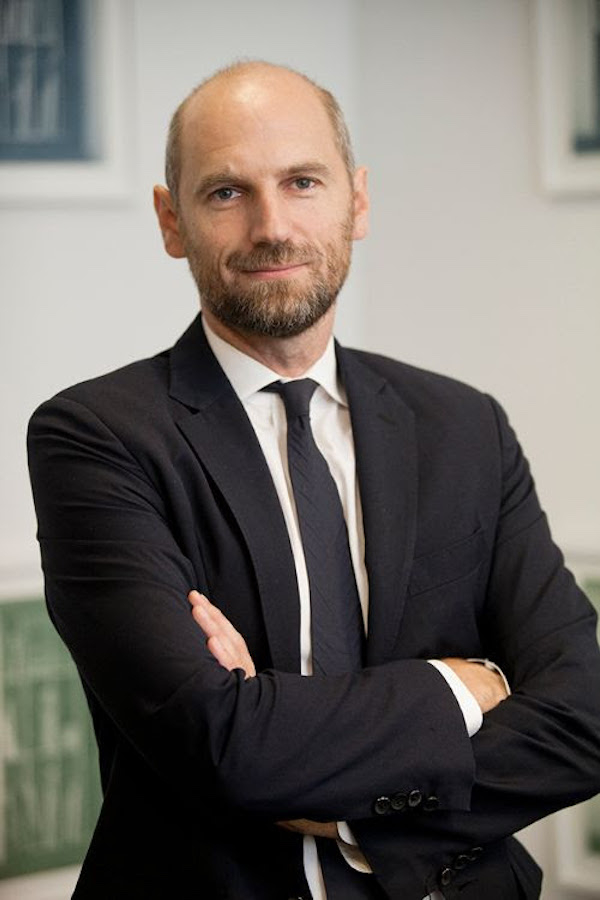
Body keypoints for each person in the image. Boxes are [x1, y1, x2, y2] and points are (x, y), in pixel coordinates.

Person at [27, 61, 600, 900]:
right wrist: (460, 684)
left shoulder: (463, 426)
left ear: (356, 201)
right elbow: (225, 746)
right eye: (227, 192)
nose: (272, 227)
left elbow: (584, 717)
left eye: (302, 182)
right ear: (171, 220)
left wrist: (354, 814)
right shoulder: (96, 436)